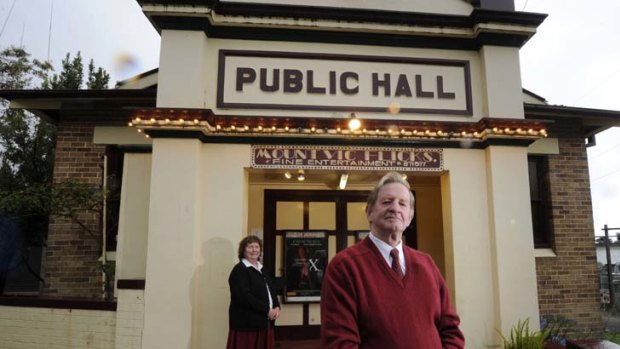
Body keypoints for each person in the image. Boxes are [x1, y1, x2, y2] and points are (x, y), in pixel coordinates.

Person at [320, 172, 465, 349]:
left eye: (402, 204)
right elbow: (340, 343)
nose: (395, 208)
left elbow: (450, 330)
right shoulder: (344, 267)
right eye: (387, 201)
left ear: (410, 217)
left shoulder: (427, 264)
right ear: (369, 212)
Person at [227, 236, 281, 349]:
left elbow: (271, 290)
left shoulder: (262, 269)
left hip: (264, 322)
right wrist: (267, 310)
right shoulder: (240, 270)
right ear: (243, 250)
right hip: (247, 325)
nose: (254, 250)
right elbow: (245, 297)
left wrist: (276, 307)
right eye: (250, 247)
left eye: (257, 247)